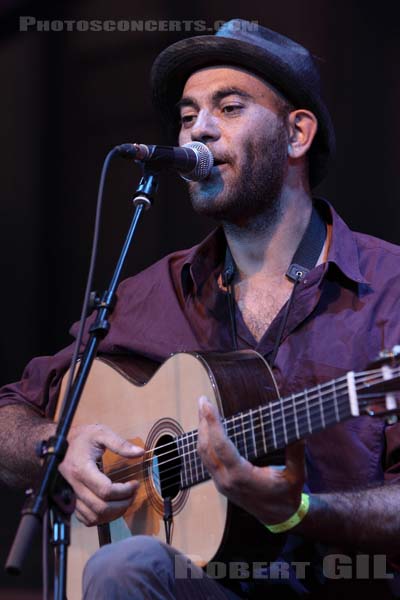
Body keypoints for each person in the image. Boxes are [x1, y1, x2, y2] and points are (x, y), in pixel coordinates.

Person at [1, 18, 400, 599]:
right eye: (188, 116)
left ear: (297, 134)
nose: (198, 133)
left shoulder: (389, 288)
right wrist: (57, 450)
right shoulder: (151, 293)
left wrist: (300, 510)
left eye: (230, 108)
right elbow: (11, 409)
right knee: (124, 564)